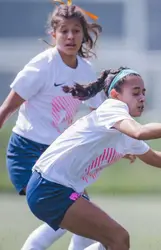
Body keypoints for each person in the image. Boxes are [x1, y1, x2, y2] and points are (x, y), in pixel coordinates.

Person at [26, 67, 161, 250]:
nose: (142, 97)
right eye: (135, 92)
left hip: (58, 189)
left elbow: (152, 157)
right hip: (49, 188)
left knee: (114, 239)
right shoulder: (112, 107)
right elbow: (140, 132)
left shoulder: (124, 128)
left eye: (143, 92)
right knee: (118, 238)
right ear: (116, 95)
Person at [0, 1, 105, 249]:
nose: (70, 36)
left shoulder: (86, 70)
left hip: (58, 156)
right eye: (64, 30)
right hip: (27, 154)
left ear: (83, 34)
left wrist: (127, 142)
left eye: (76, 30)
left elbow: (101, 113)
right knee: (64, 217)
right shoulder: (41, 66)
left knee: (86, 222)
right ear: (53, 34)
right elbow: (6, 109)